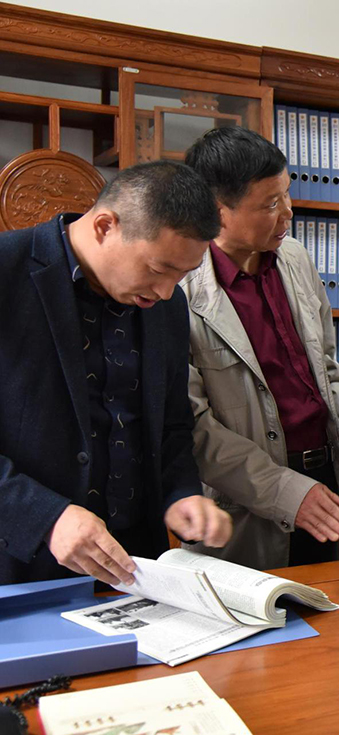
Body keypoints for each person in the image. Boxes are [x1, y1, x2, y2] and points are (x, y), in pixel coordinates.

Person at [0, 161, 232, 585]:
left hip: (133, 568)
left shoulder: (167, 306)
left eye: (183, 275)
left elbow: (172, 423)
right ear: (105, 226)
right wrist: (45, 517)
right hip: (19, 568)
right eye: (158, 269)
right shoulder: (6, 271)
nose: (166, 291)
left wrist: (181, 493)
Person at [182, 127, 339, 569]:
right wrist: (286, 491)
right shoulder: (179, 290)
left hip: (324, 478)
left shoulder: (296, 258)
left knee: (323, 605)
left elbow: (326, 366)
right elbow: (191, 425)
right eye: (270, 204)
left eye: (286, 194)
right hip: (241, 499)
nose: (288, 212)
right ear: (216, 210)